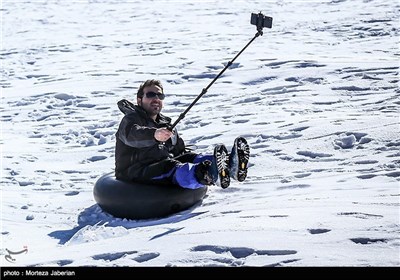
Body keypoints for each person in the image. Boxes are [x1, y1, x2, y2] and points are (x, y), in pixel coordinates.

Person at [115, 79, 250, 189]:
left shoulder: (164, 123)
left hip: (160, 162)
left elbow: (178, 150)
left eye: (159, 95)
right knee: (169, 167)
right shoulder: (131, 119)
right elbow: (131, 135)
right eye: (150, 95)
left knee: (189, 157)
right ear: (139, 100)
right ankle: (208, 174)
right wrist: (154, 135)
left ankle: (231, 164)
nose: (156, 98)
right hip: (135, 171)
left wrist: (179, 146)